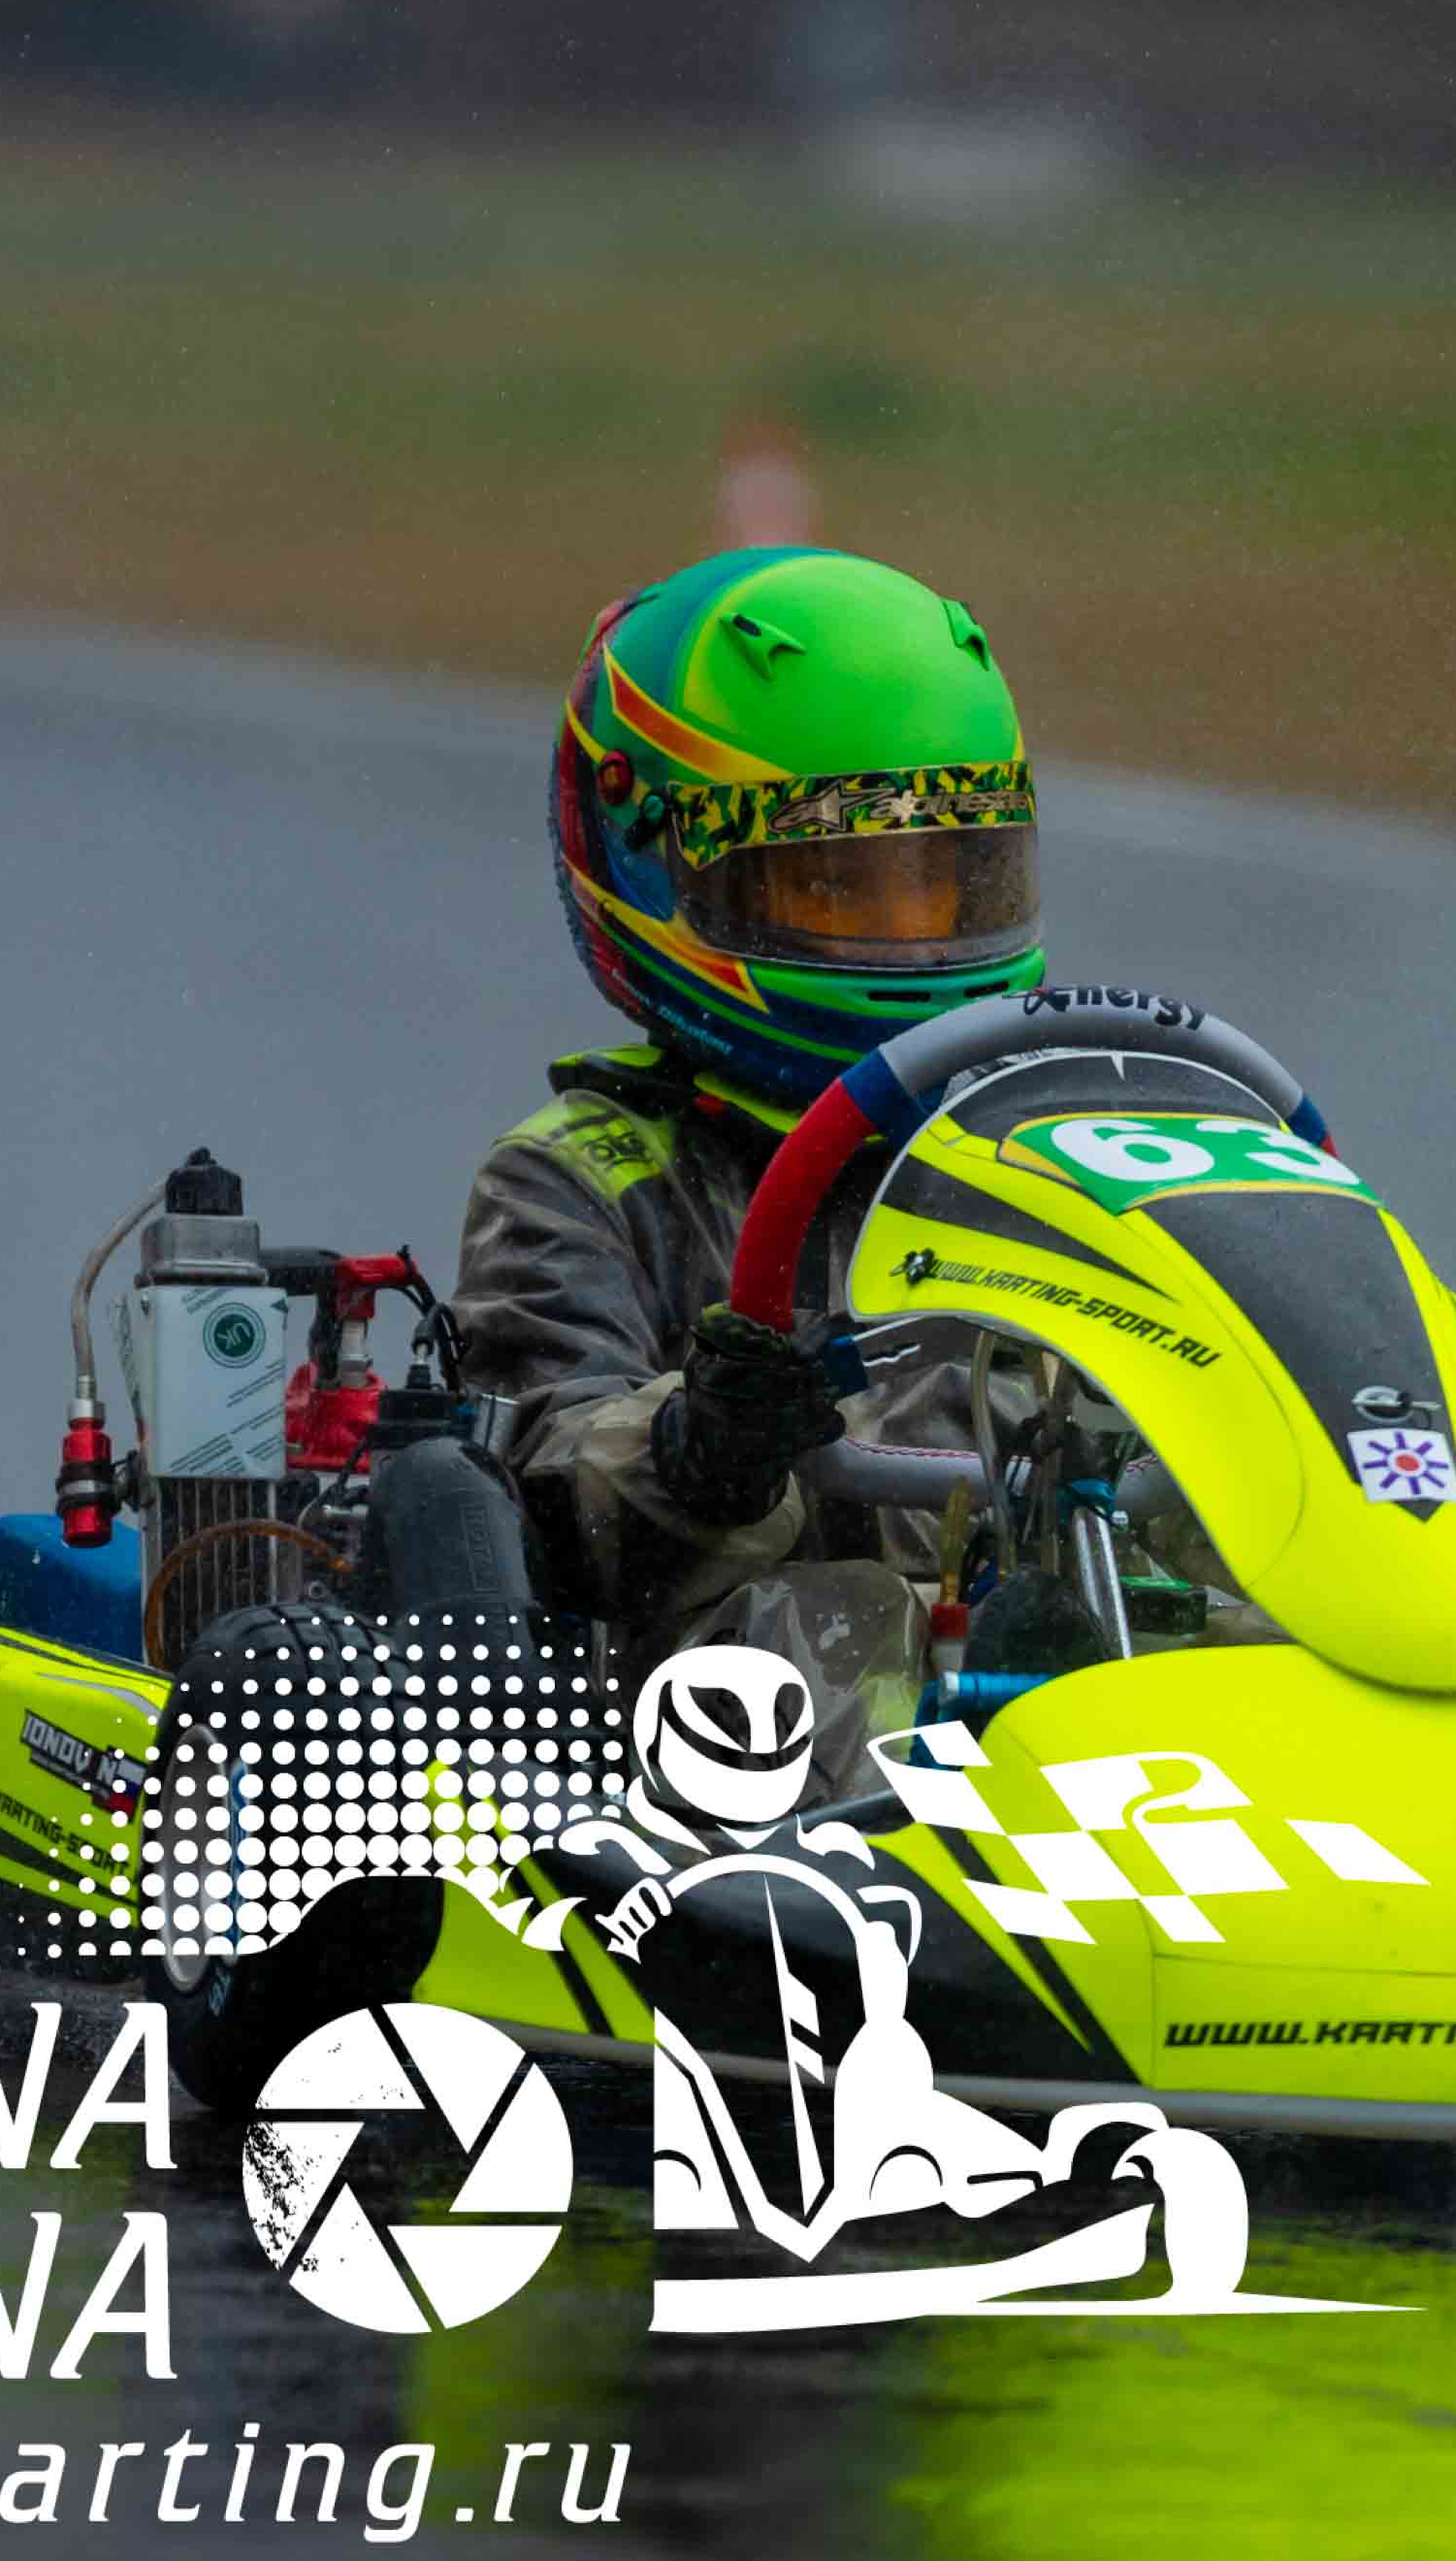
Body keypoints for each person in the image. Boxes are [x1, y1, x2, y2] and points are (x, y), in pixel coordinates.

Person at [444, 546, 1041, 1778]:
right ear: (652, 862)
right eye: (831, 881)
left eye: (942, 881)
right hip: (709, 1756)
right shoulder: (582, 1178)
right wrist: (699, 1440)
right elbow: (547, 1505)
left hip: (1027, 1690)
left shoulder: (1035, 1170)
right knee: (840, 1628)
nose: (903, 933)